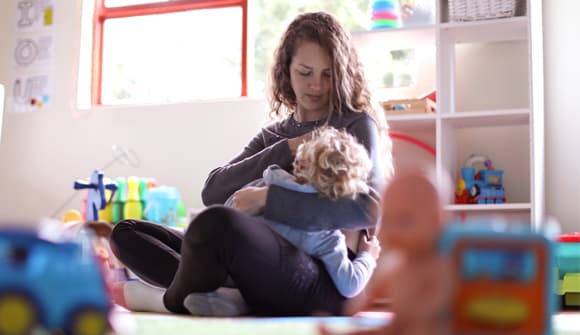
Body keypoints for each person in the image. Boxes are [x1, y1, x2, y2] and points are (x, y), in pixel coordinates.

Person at [109, 11, 393, 317]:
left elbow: (369, 209)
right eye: (305, 72)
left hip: (322, 276)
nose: (316, 85)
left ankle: (170, 300)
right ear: (287, 71)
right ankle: (229, 296)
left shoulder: (355, 124)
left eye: (328, 74)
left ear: (341, 74)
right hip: (259, 263)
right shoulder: (274, 136)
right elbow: (213, 190)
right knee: (126, 233)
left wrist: (270, 200)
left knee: (215, 224)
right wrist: (289, 147)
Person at [224, 127, 382, 299]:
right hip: (280, 290)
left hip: (232, 266)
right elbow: (349, 285)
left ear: (299, 164)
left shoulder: (262, 186)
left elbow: (231, 209)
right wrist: (368, 256)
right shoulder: (325, 238)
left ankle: (226, 296)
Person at [320, 171, 454, 335]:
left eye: (404, 220)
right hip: (398, 326)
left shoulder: (438, 267)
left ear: (436, 220)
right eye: (387, 220)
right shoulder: (396, 267)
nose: (393, 230)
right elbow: (376, 292)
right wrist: (355, 312)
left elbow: (439, 300)